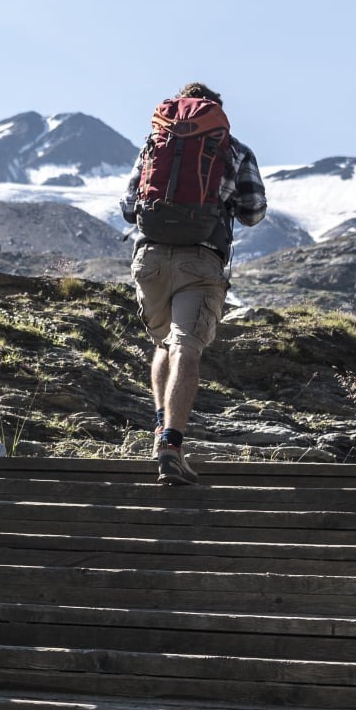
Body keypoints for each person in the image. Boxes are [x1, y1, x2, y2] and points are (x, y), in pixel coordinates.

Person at [119, 83, 266, 484]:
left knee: (163, 343)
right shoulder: (233, 149)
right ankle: (170, 445)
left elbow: (129, 207)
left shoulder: (155, 144)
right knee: (187, 346)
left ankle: (158, 427)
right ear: (215, 112)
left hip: (149, 259)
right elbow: (252, 211)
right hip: (200, 259)